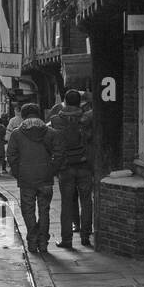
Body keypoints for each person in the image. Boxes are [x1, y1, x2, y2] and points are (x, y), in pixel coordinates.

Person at [6, 103, 58, 253]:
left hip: (26, 179)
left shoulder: (17, 134)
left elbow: (11, 156)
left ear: (23, 116)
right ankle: (43, 242)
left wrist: (18, 172)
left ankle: (32, 240)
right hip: (45, 178)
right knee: (44, 210)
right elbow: (60, 154)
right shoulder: (50, 133)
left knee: (28, 210)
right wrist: (51, 170)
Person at [47, 89, 94, 249]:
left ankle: (67, 240)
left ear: (65, 102)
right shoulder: (88, 117)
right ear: (79, 102)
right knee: (87, 201)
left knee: (66, 203)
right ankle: (86, 236)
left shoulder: (55, 120)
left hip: (65, 166)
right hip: (84, 164)